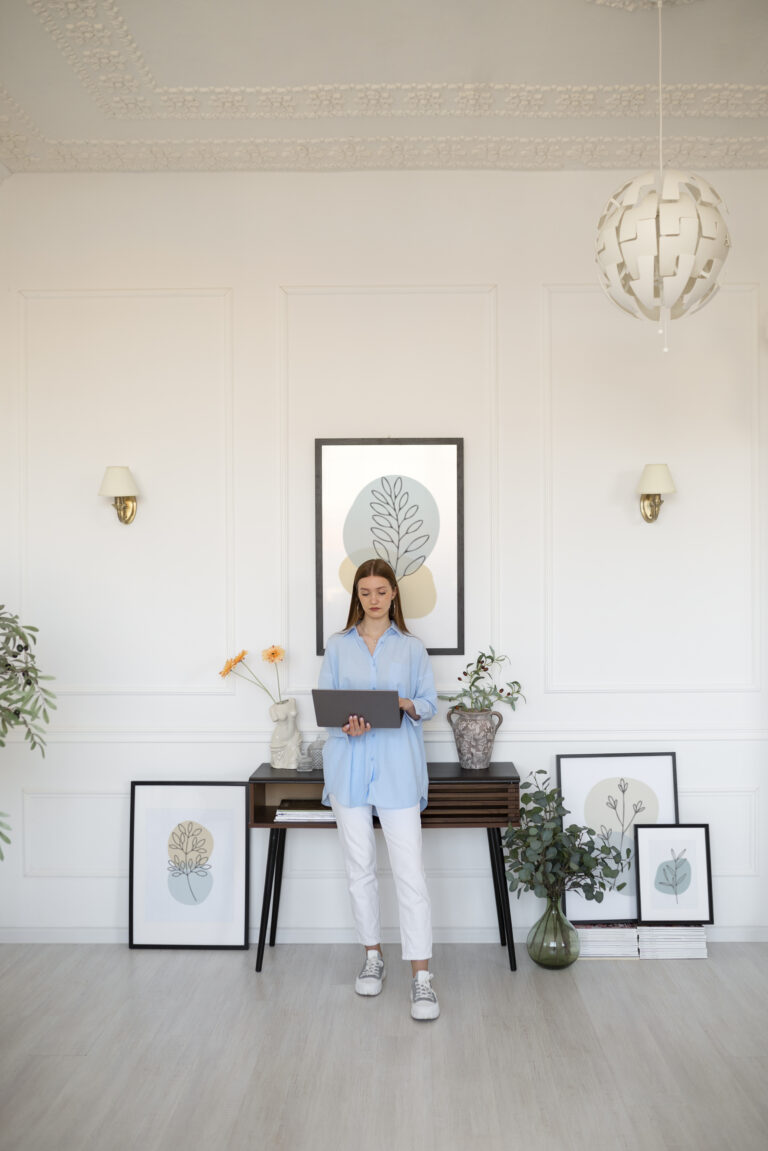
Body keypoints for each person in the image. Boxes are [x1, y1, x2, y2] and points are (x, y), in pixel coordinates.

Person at [318, 558, 440, 1021]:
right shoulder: (337, 646)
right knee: (360, 869)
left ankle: (422, 980)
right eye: (365, 591)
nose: (373, 599)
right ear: (357, 596)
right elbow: (326, 706)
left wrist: (408, 703)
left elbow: (428, 703)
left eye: (381, 591)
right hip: (349, 769)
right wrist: (344, 725)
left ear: (393, 594)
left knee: (410, 873)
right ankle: (373, 956)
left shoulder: (411, 649)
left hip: (397, 771)